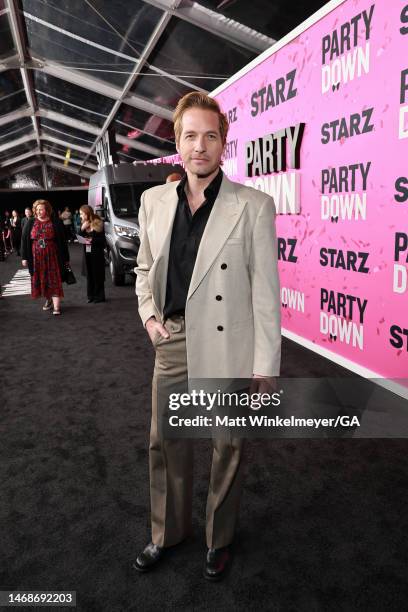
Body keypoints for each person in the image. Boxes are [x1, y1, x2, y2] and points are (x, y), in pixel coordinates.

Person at [134, 92, 281, 580]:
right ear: (177, 142)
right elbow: (144, 267)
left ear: (224, 142)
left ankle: (219, 538)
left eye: (210, 136)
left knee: (228, 444)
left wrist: (266, 363)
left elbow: (265, 289)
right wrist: (151, 319)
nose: (200, 146)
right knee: (166, 442)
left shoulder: (254, 205)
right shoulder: (153, 200)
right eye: (190, 136)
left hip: (228, 346)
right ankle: (167, 533)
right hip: (172, 340)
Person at [21, 199, 70, 316]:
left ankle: (57, 306)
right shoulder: (31, 222)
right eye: (37, 209)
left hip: (52, 256)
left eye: (41, 209)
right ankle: (48, 299)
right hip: (36, 257)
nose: (39, 211)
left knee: (54, 279)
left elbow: (63, 242)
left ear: (47, 209)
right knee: (43, 279)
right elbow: (24, 240)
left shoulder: (55, 222)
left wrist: (66, 258)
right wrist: (24, 257)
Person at [79, 205, 106, 303]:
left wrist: (92, 240)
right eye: (80, 214)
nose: (80, 215)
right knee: (89, 274)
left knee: (97, 274)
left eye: (82, 213)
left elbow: (102, 240)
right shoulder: (83, 223)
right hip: (87, 252)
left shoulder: (97, 222)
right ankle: (91, 296)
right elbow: (78, 237)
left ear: (87, 213)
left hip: (96, 253)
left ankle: (99, 296)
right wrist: (82, 228)